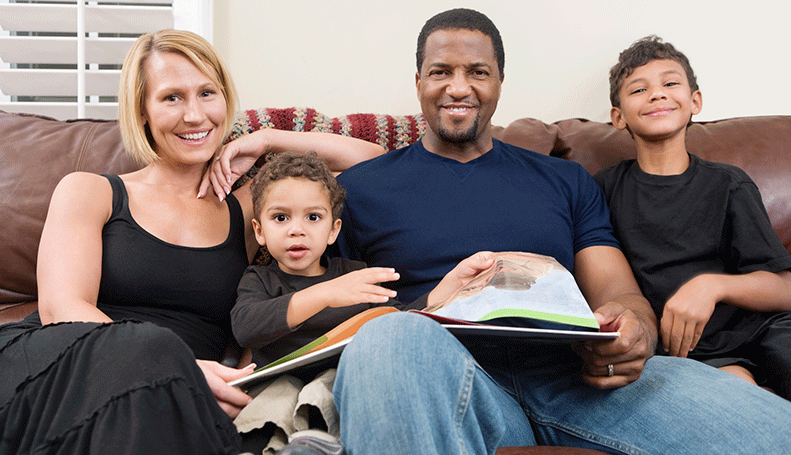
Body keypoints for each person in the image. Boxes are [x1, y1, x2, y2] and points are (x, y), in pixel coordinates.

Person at [318, 8, 791, 454]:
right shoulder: (358, 190)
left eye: (478, 72)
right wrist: (428, 309)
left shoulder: (564, 180)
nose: (458, 87)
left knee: (774, 430)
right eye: (441, 71)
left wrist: (635, 332)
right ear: (418, 82)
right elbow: (325, 309)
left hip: (577, 380)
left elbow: (621, 294)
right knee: (386, 338)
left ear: (500, 82)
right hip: (450, 378)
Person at [0, 29, 383, 455]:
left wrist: (267, 139)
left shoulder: (250, 209)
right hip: (65, 368)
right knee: (150, 351)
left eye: (207, 93)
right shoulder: (90, 191)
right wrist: (175, 362)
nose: (195, 115)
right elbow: (62, 310)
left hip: (169, 397)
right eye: (171, 98)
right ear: (142, 110)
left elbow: (374, 164)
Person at [594, 36, 791, 399]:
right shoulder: (604, 190)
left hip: (759, 333)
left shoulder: (728, 184)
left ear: (695, 101)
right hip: (684, 357)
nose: (657, 94)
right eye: (639, 89)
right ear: (618, 117)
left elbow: (784, 290)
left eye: (670, 83)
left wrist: (712, 286)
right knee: (736, 392)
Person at [231, 151, 495, 366]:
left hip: (340, 381)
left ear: (333, 230)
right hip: (276, 384)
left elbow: (398, 318)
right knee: (275, 399)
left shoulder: (354, 276)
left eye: (313, 217)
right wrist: (326, 294)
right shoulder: (259, 279)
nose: (296, 230)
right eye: (281, 218)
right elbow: (245, 328)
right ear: (259, 231)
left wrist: (447, 288)